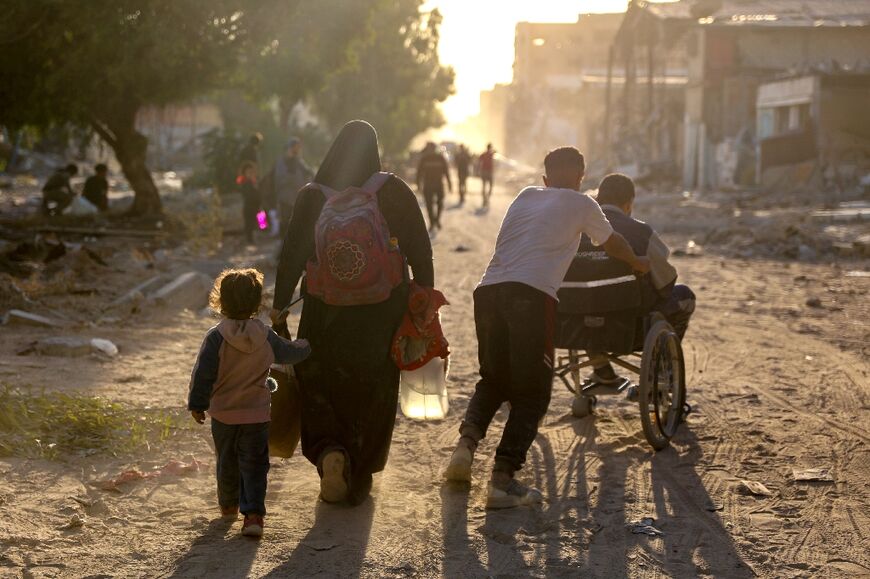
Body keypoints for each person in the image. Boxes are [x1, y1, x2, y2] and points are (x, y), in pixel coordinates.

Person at [444, 147, 650, 509]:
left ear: (544, 179)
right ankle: (503, 481)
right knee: (533, 393)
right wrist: (637, 261)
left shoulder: (525, 196)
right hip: (531, 297)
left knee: (493, 380)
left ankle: (464, 449)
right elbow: (613, 242)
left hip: (488, 291)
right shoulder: (583, 203)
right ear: (581, 178)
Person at [271, 120, 434, 506]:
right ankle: (358, 474)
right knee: (374, 391)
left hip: (323, 312)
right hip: (382, 313)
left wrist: (279, 309)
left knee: (319, 385)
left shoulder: (312, 196)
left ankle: (329, 453)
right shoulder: (392, 190)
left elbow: (292, 255)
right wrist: (422, 301)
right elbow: (420, 249)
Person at [188, 268, 311, 538]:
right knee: (255, 464)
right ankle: (253, 515)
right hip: (256, 416)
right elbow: (290, 354)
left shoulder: (215, 338)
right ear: (258, 303)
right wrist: (307, 344)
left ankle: (229, 506)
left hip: (223, 415)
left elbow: (203, 375)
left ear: (220, 301)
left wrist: (197, 404)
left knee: (227, 461)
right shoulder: (265, 336)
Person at [588, 173, 696, 384]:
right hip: (631, 325)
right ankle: (664, 369)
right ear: (629, 204)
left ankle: (600, 367)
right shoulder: (641, 232)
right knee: (685, 296)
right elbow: (666, 282)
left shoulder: (577, 229)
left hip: (580, 323)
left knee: (587, 301)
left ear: (598, 200)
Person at [262, 137, 314, 237]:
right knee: (285, 219)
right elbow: (279, 178)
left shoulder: (299, 161)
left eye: (298, 148)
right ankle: (283, 240)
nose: (297, 150)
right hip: (284, 196)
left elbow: (308, 173)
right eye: (295, 148)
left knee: (297, 219)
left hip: (297, 195)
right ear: (289, 148)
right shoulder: (281, 162)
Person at [416, 142, 452, 231]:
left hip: (438, 184)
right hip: (428, 185)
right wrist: (418, 184)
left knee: (440, 203)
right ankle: (432, 223)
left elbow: (446, 172)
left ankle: (436, 220)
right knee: (429, 205)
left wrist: (449, 183)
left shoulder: (440, 158)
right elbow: (419, 173)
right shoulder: (424, 159)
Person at [237, 161, 261, 244]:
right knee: (249, 224)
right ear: (245, 173)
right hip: (249, 207)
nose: (251, 174)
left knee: (261, 222)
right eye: (248, 172)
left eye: (252, 172)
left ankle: (260, 237)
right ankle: (250, 240)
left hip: (257, 205)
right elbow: (248, 194)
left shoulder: (255, 181)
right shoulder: (244, 183)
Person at [478, 143, 495, 209]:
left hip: (484, 172)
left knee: (484, 186)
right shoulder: (491, 154)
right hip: (488, 172)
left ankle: (485, 199)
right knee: (490, 186)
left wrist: (479, 171)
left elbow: (479, 161)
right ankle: (487, 198)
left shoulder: (484, 154)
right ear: (490, 147)